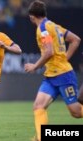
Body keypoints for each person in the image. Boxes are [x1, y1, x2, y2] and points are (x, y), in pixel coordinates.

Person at [25, 1, 83, 141]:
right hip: (51, 75)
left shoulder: (43, 28)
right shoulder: (54, 26)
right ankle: (40, 137)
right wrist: (64, 58)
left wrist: (35, 66)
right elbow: (75, 39)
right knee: (38, 106)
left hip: (63, 75)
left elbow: (49, 52)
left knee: (76, 112)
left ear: (32, 16)